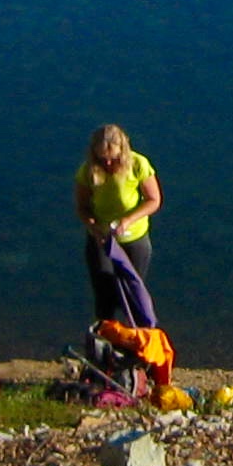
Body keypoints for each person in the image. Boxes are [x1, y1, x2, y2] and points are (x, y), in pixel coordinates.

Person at [75, 125, 163, 325]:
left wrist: (128, 220)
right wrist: (94, 228)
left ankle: (137, 340)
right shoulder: (87, 171)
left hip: (135, 238)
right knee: (104, 295)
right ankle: (105, 342)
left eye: (112, 159)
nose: (107, 163)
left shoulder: (139, 164)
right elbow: (82, 207)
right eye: (102, 159)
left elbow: (154, 200)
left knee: (133, 292)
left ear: (122, 151)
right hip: (102, 240)